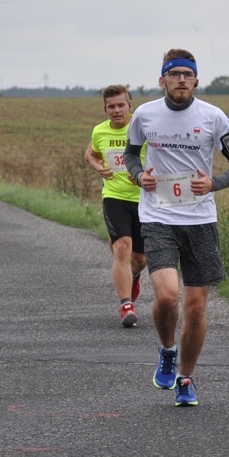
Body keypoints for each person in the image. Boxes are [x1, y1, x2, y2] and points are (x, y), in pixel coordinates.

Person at [123, 49, 229, 406]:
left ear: (196, 80)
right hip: (158, 216)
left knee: (195, 307)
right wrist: (139, 175)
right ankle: (167, 350)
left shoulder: (214, 117)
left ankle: (186, 378)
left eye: (187, 74)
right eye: (174, 74)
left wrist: (214, 183)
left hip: (200, 220)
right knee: (166, 296)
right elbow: (131, 155)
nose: (181, 79)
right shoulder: (144, 114)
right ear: (162, 79)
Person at [85, 85, 148, 327]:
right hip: (114, 197)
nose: (116, 110)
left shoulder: (142, 128)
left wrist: (141, 173)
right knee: (121, 248)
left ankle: (134, 275)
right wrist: (97, 166)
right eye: (111, 106)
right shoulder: (99, 131)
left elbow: (162, 158)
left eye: (121, 105)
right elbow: (91, 154)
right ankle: (126, 305)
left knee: (140, 259)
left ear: (130, 106)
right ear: (105, 109)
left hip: (144, 200)